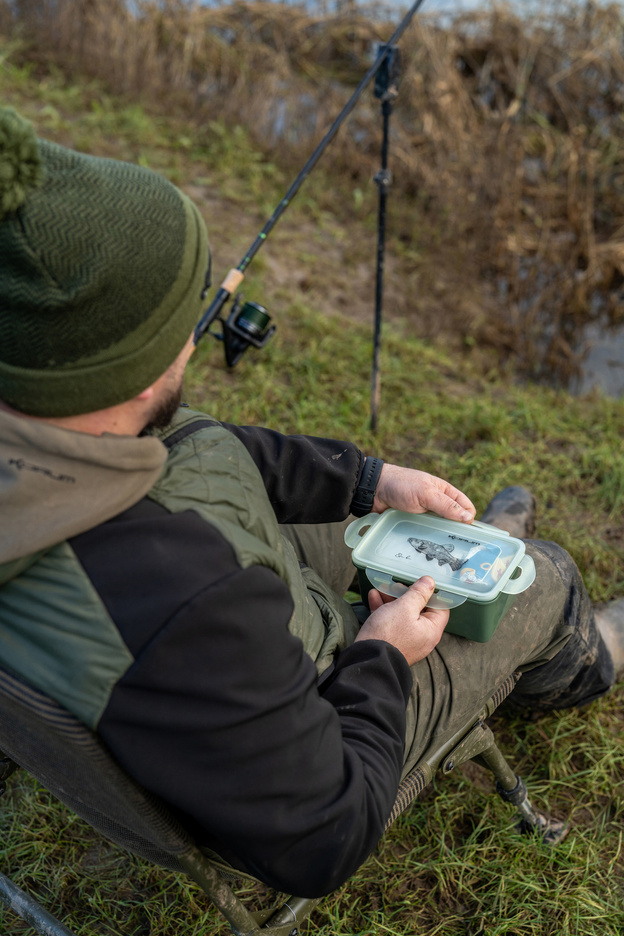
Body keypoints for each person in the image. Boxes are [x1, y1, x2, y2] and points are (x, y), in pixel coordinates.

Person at [0, 106, 621, 899]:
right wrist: (382, 655)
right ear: (137, 372)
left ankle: (477, 566)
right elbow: (323, 836)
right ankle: (581, 651)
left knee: (439, 545)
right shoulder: (182, 600)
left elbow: (198, 444)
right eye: (189, 320)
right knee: (547, 578)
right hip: (317, 690)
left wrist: (366, 480)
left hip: (226, 608)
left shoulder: (57, 416)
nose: (199, 334)